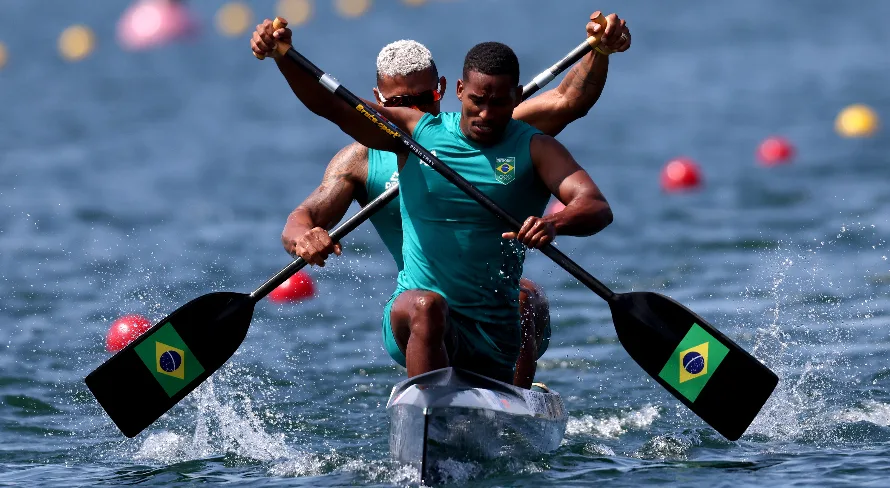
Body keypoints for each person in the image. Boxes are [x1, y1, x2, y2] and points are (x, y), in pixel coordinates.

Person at [252, 20, 618, 385]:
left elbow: (569, 100)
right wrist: (284, 55)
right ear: (382, 101)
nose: (416, 109)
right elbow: (333, 108)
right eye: (401, 104)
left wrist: (600, 49)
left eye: (424, 99)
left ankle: (514, 403)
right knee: (428, 307)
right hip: (418, 315)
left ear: (444, 90)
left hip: (492, 323)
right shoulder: (397, 138)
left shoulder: (510, 130)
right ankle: (427, 412)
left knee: (527, 298)